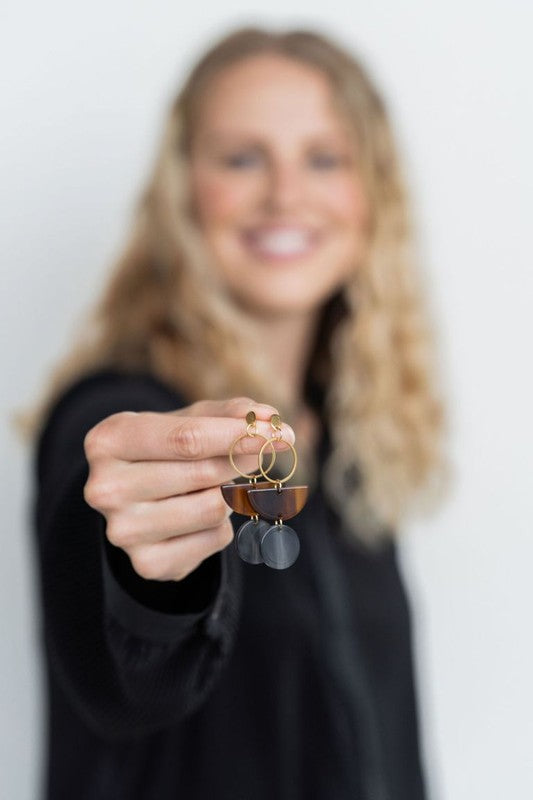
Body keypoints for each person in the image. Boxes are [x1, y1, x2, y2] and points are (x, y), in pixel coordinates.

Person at [29, 25, 445, 800]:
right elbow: (121, 656)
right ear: (184, 189)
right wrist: (148, 573)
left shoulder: (349, 440)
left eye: (324, 158)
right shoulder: (122, 413)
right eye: (242, 157)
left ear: (371, 192)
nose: (284, 193)